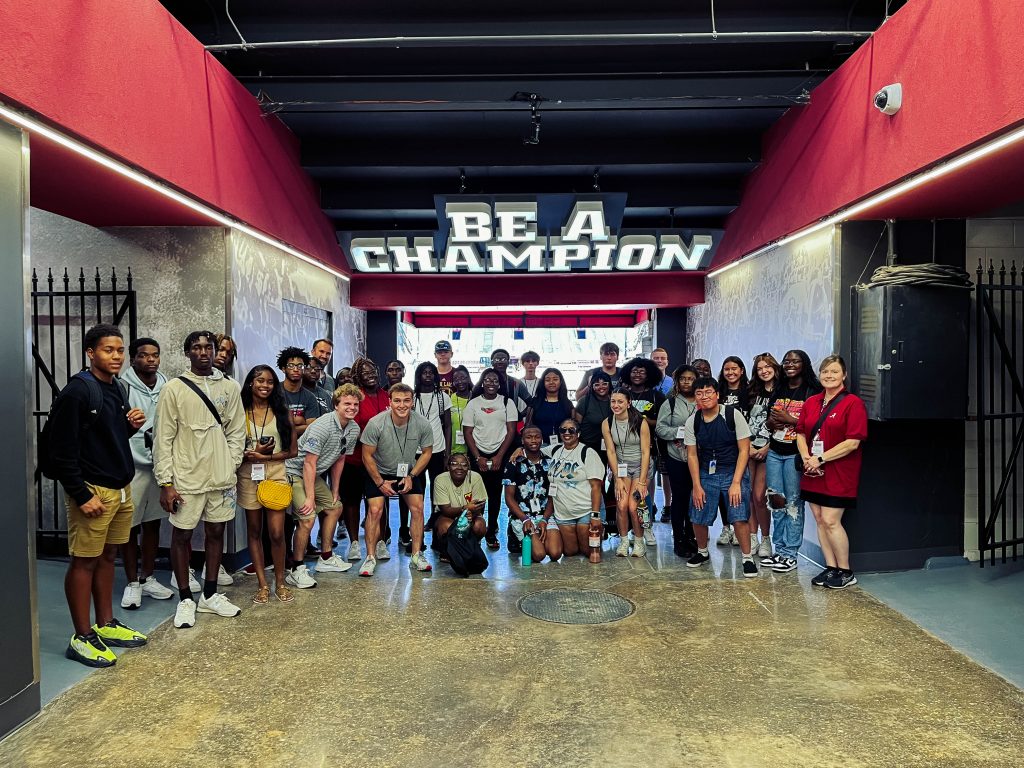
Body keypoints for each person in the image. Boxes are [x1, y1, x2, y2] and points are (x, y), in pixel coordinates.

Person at [48, 324, 149, 667]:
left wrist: (130, 426)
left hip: (120, 490)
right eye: (109, 350)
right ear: (91, 353)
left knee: (109, 557)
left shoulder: (117, 388)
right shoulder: (78, 392)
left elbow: (106, 435)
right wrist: (80, 493)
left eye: (120, 350)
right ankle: (82, 635)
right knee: (84, 560)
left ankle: (105, 624)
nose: (116, 356)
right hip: (93, 491)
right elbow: (58, 451)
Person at [155, 330, 246, 628]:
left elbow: (236, 432)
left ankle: (209, 594)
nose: (204, 352)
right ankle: (184, 598)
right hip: (186, 478)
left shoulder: (230, 387)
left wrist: (230, 465)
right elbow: (163, 438)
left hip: (220, 478)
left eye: (209, 347)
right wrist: (166, 483)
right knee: (181, 535)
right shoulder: (174, 389)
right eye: (197, 347)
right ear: (187, 353)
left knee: (216, 533)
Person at [796, 355, 868, 590]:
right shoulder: (812, 402)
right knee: (819, 519)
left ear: (844, 375)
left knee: (831, 520)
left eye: (834, 372)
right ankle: (831, 567)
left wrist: (820, 458)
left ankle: (845, 571)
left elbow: (853, 442)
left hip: (839, 472)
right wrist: (807, 456)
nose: (829, 376)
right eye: (825, 371)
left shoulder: (852, 403)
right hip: (812, 471)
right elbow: (800, 433)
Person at [283, 383, 362, 588]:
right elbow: (309, 463)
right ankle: (296, 569)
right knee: (307, 518)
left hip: (313, 473)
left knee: (335, 507)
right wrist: (310, 497)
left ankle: (326, 557)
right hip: (293, 472)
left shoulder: (353, 429)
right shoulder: (322, 426)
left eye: (355, 404)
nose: (352, 407)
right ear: (336, 405)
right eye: (347, 403)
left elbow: (340, 459)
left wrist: (335, 490)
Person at [119, 337, 174, 610]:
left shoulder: (167, 385)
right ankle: (132, 583)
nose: (150, 359)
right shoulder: (122, 386)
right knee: (129, 525)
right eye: (143, 355)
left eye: (155, 355)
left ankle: (148, 576)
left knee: (154, 523)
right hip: (132, 466)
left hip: (159, 465)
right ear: (133, 359)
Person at [683, 377, 758, 578]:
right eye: (699, 393)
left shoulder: (733, 415)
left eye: (708, 392)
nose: (704, 396)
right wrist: (696, 485)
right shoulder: (694, 420)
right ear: (695, 397)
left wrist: (736, 483)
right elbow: (691, 454)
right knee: (697, 511)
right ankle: (702, 552)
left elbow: (744, 450)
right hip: (707, 472)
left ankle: (747, 557)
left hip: (734, 471)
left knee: (739, 514)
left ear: (717, 395)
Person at [238, 365, 299, 603]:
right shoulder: (239, 412)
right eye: (260, 380)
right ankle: (263, 584)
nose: (265, 385)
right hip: (247, 475)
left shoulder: (283, 413)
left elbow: (292, 451)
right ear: (251, 383)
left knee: (276, 533)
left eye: (270, 382)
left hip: (275, 473)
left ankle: (280, 581)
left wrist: (266, 457)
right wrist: (250, 454)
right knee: (254, 531)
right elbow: (230, 445)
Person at [360, 383, 435, 576]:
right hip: (379, 472)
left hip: (407, 472)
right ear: (390, 402)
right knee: (375, 510)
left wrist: (412, 476)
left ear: (412, 402)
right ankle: (369, 557)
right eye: (397, 401)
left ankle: (417, 554)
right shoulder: (376, 423)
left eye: (406, 401)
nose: (402, 405)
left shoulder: (422, 423)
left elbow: (427, 452)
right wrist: (379, 482)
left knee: (418, 508)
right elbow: (366, 455)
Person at [761, 349, 822, 573]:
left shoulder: (813, 391)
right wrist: (771, 423)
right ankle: (779, 549)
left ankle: (791, 554)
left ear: (804, 364)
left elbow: (816, 425)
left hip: (796, 454)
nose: (790, 364)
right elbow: (769, 420)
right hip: (775, 452)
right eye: (786, 361)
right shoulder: (780, 388)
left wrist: (791, 420)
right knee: (776, 500)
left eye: (795, 361)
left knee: (794, 502)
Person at [463, 368, 518, 550]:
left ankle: (491, 530)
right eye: (488, 380)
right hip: (478, 454)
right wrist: (477, 457)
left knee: (495, 495)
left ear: (500, 384)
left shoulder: (507, 402)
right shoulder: (473, 404)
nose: (491, 383)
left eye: (495, 380)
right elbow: (468, 432)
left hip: (500, 455)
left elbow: (511, 431)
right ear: (482, 382)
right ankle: (477, 530)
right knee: (477, 495)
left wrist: (500, 456)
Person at [542, 419, 606, 560]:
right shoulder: (555, 450)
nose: (567, 433)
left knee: (587, 550)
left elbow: (596, 487)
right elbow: (533, 449)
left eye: (571, 430)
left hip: (586, 510)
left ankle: (599, 533)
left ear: (578, 433)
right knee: (570, 552)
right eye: (563, 430)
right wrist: (519, 449)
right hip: (563, 512)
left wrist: (595, 516)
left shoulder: (587, 453)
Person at [619, 356, 665, 540]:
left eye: (642, 371)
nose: (637, 374)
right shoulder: (621, 394)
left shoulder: (656, 396)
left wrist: (641, 421)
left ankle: (647, 527)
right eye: (634, 371)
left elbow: (661, 423)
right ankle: (633, 528)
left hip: (648, 452)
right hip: (624, 453)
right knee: (628, 497)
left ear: (649, 375)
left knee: (643, 494)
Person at [655, 365, 699, 558]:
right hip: (677, 457)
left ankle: (692, 536)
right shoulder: (670, 403)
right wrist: (678, 432)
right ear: (677, 381)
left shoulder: (703, 400)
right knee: (680, 498)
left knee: (696, 499)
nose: (687, 382)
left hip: (699, 459)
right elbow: (660, 428)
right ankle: (679, 539)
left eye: (691, 378)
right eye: (683, 378)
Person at [602, 390, 652, 557]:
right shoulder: (607, 423)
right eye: (613, 402)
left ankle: (639, 542)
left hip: (641, 467)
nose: (616, 405)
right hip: (622, 467)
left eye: (620, 402)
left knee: (633, 506)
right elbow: (610, 451)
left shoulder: (640, 422)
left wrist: (642, 481)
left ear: (628, 403)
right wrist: (617, 478)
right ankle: (623, 541)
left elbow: (646, 452)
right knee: (621, 505)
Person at [409, 361, 452, 550]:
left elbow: (448, 425)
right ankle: (416, 537)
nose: (427, 375)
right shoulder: (412, 397)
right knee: (417, 492)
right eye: (423, 372)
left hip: (437, 450)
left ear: (436, 376)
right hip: (415, 451)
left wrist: (447, 453)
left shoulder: (443, 397)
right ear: (418, 376)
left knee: (438, 492)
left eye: (431, 372)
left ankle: (437, 533)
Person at [747, 353, 782, 559]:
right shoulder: (752, 391)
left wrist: (768, 447)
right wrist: (748, 447)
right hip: (749, 448)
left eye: (767, 367)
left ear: (775, 368)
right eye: (759, 368)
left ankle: (766, 538)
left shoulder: (782, 392)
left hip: (771, 449)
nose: (764, 371)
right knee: (749, 494)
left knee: (760, 496)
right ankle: (753, 536)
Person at [715, 356, 751, 547]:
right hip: (723, 447)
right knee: (723, 490)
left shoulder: (751, 391)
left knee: (742, 490)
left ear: (742, 371)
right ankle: (726, 527)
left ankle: (740, 528)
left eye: (734, 369)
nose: (730, 372)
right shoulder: (718, 391)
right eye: (727, 369)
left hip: (745, 445)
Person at [573, 369, 616, 526]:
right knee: (595, 480)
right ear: (591, 386)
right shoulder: (585, 401)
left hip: (612, 447)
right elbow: (576, 424)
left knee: (615, 479)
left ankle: (611, 514)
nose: (601, 387)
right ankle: (597, 515)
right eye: (597, 384)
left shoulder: (614, 400)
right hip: (589, 447)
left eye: (604, 383)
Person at [503, 426, 552, 562]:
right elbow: (508, 497)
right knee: (539, 555)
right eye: (529, 437)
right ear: (522, 440)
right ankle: (514, 533)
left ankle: (539, 539)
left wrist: (545, 519)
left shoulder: (549, 462)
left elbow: (552, 495)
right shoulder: (513, 463)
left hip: (544, 515)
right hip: (523, 516)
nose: (533, 440)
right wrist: (525, 519)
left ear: (542, 439)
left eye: (537, 437)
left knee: (555, 552)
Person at [432, 453, 488, 562]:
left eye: (464, 464)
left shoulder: (476, 477)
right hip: (447, 515)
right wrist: (465, 509)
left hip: (472, 514)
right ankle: (447, 550)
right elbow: (445, 509)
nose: (459, 467)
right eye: (454, 464)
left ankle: (471, 547)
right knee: (445, 526)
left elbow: (479, 505)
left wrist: (469, 513)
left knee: (479, 526)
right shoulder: (440, 479)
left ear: (469, 467)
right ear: (448, 467)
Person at [650, 347, 673, 521]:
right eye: (656, 358)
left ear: (667, 361)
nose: (659, 361)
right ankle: (650, 505)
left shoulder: (672, 382)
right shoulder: (646, 382)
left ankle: (667, 505)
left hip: (667, 432)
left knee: (666, 472)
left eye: (662, 358)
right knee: (650, 472)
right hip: (648, 433)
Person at [524, 367, 574, 443]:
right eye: (547, 380)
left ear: (560, 382)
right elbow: (528, 426)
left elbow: (573, 427)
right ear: (543, 383)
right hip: (538, 445)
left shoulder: (567, 404)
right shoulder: (535, 402)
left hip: (563, 445)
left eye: (555, 379)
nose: (551, 382)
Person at [276, 346, 319, 436]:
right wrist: (301, 421)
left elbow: (312, 428)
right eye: (291, 366)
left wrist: (287, 427)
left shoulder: (310, 398)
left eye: (300, 366)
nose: (296, 369)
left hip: (301, 445)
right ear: (284, 369)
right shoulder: (274, 391)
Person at [489, 348, 530, 415]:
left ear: (508, 362)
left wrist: (520, 415)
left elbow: (531, 403)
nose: (500, 362)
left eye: (503, 359)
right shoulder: (485, 382)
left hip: (510, 423)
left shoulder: (516, 383)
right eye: (496, 359)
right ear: (492, 362)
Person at [448, 365, 473, 456]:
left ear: (468, 379)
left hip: (473, 450)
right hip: (454, 450)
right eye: (456, 379)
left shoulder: (475, 398)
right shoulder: (450, 399)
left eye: (463, 378)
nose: (460, 381)